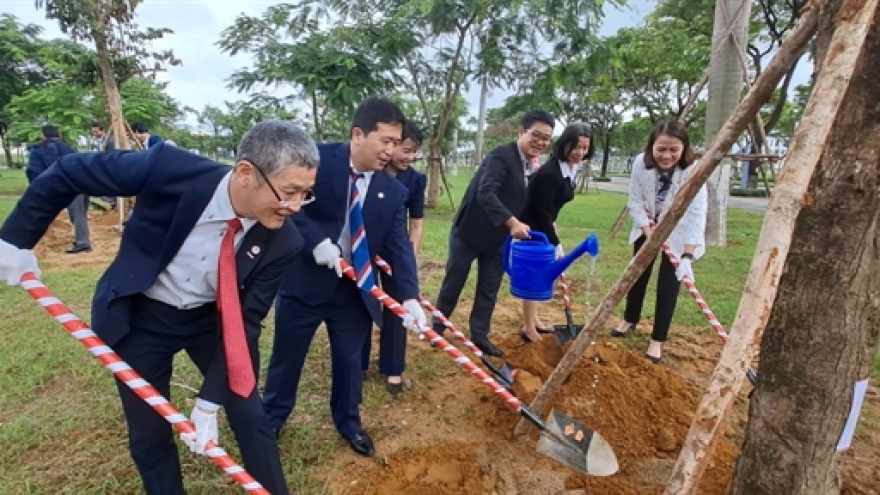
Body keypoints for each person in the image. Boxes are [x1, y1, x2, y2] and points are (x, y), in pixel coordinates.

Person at [0, 120, 320, 495]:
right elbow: (70, 172)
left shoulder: (284, 241)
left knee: (251, 416)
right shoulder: (167, 169)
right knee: (149, 434)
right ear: (247, 173)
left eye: (306, 194)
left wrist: (208, 402)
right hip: (140, 316)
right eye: (289, 192)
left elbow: (246, 321)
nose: (296, 207)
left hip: (213, 322)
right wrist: (14, 241)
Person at [263, 97, 427, 458]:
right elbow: (289, 206)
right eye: (384, 141)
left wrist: (410, 297)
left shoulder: (394, 190)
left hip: (354, 290)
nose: (391, 151)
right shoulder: (317, 162)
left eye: (396, 144)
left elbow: (398, 247)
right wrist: (317, 242)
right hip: (305, 280)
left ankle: (349, 423)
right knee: (287, 358)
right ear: (358, 134)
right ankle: (272, 419)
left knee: (351, 363)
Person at [433, 110, 556, 357]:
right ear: (522, 131)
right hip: (469, 230)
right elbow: (486, 192)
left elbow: (523, 201)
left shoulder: (532, 165)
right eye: (536, 135)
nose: (541, 142)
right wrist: (512, 223)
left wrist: (546, 223)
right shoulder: (501, 155)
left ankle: (479, 335)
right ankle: (437, 329)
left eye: (546, 138)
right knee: (454, 280)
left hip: (498, 237)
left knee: (489, 286)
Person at [610, 121, 707, 363]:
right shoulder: (640, 163)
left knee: (668, 285)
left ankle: (658, 339)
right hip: (648, 226)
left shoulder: (695, 169)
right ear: (651, 147)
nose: (666, 155)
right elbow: (634, 200)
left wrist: (687, 256)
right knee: (637, 275)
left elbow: (697, 212)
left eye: (673, 149)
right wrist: (648, 232)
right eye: (660, 149)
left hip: (678, 232)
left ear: (684, 148)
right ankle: (630, 319)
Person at [360, 120, 427, 395]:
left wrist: (409, 260)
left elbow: (417, 223)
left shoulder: (414, 180)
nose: (409, 158)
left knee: (398, 305)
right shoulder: (369, 170)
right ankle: (359, 362)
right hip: (363, 246)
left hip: (396, 249)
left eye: (414, 153)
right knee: (362, 301)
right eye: (405, 150)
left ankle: (393, 366)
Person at [518, 122, 594, 342]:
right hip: (532, 229)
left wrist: (552, 222)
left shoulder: (570, 167)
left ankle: (535, 321)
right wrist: (555, 242)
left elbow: (549, 207)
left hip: (544, 224)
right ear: (565, 145)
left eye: (585, 148)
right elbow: (540, 211)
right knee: (535, 277)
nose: (580, 152)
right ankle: (529, 326)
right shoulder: (551, 173)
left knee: (540, 276)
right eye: (576, 147)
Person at [26, 124, 92, 254]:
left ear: (43, 136)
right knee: (79, 214)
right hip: (81, 183)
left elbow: (34, 171)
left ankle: (83, 242)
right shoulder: (69, 149)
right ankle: (82, 240)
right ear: (59, 135)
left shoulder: (38, 151)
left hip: (62, 185)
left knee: (74, 214)